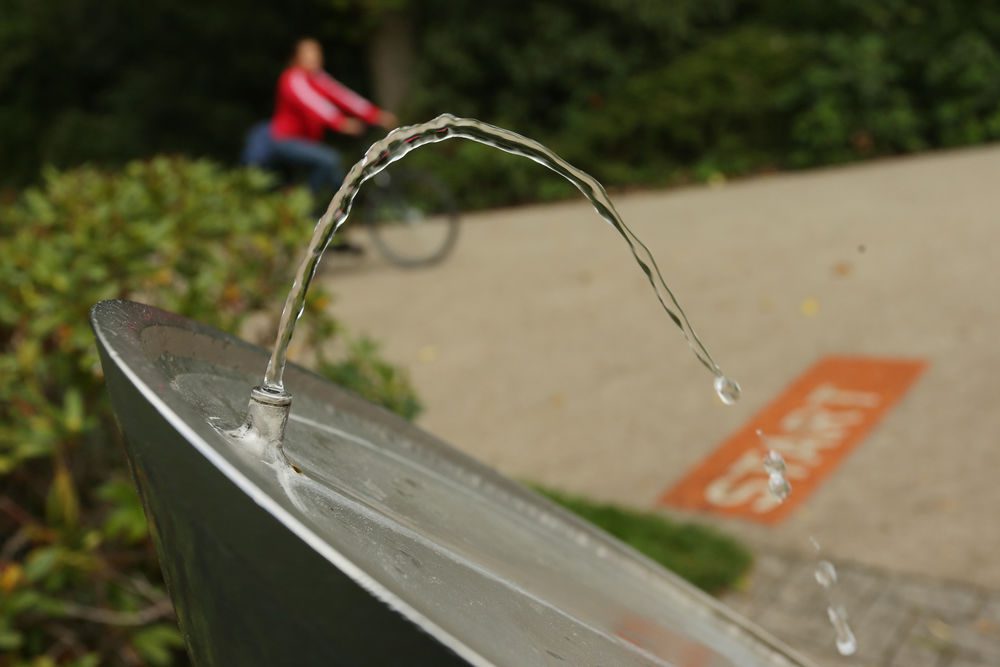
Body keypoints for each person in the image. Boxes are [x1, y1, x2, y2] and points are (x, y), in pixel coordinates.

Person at [243, 38, 398, 200]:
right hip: (285, 141)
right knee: (330, 160)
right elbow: (314, 104)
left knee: (336, 173)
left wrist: (376, 115)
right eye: (308, 53)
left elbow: (344, 97)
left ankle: (335, 210)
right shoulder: (292, 78)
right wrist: (341, 123)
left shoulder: (319, 78)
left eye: (317, 52)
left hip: (306, 142)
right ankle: (302, 206)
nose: (314, 56)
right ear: (296, 57)